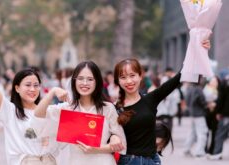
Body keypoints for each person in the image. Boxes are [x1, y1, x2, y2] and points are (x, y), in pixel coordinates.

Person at [113, 37, 210, 165]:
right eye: (123, 77)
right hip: (129, 161)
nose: (129, 81)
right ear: (118, 81)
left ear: (140, 76)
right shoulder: (113, 108)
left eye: (132, 76)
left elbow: (180, 76)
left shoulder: (150, 99)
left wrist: (199, 50)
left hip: (153, 160)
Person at [0, 54, 59, 165]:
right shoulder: (10, 111)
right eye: (28, 85)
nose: (32, 89)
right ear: (17, 88)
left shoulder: (48, 111)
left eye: (36, 85)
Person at [34, 61, 127, 165]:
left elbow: (121, 145)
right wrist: (52, 92)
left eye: (90, 79)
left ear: (97, 82)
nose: (85, 83)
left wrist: (96, 149)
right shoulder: (67, 108)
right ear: (74, 81)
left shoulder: (107, 108)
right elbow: (38, 114)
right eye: (80, 78)